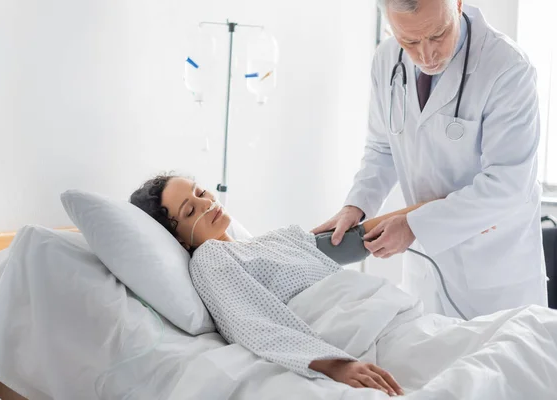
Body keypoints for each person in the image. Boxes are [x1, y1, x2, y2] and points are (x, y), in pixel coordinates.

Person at [313, 0, 547, 319]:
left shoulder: (507, 67)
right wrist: (356, 205)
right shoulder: (386, 60)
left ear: (459, 5)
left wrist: (415, 224)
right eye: (409, 41)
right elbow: (382, 148)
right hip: (425, 269)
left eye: (438, 34)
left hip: (494, 274)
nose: (426, 55)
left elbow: (507, 185)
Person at [130, 174, 405, 396]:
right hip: (356, 330)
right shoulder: (209, 257)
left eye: (200, 193)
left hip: (389, 316)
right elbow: (249, 322)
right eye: (190, 210)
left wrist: (435, 208)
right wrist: (336, 365)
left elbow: (357, 238)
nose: (206, 204)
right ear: (179, 240)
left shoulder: (275, 240)